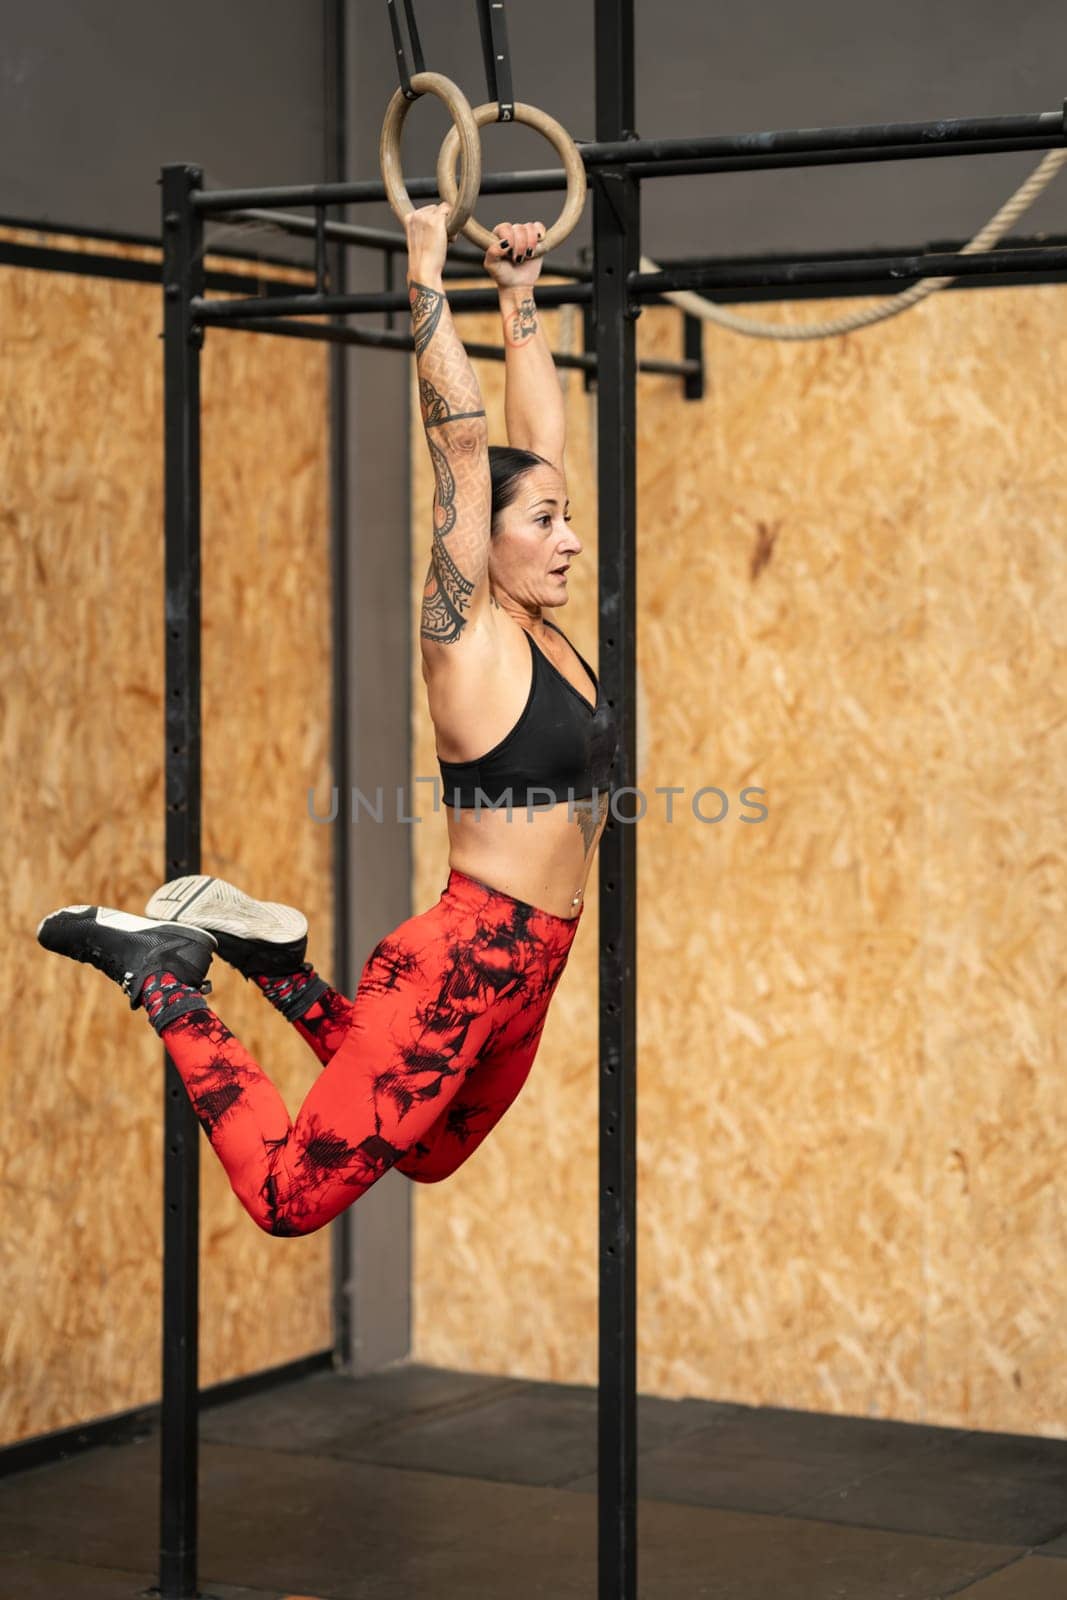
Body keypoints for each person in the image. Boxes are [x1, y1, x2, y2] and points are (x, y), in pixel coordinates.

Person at [36, 206, 618, 1237]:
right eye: (544, 522)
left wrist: (522, 296)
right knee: (287, 1199)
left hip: (535, 964)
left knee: (430, 1154)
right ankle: (165, 976)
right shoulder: (466, 635)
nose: (569, 539)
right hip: (460, 957)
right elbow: (466, 449)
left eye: (563, 518)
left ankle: (277, 964)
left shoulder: (547, 627)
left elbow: (538, 444)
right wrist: (427, 274)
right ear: (478, 546)